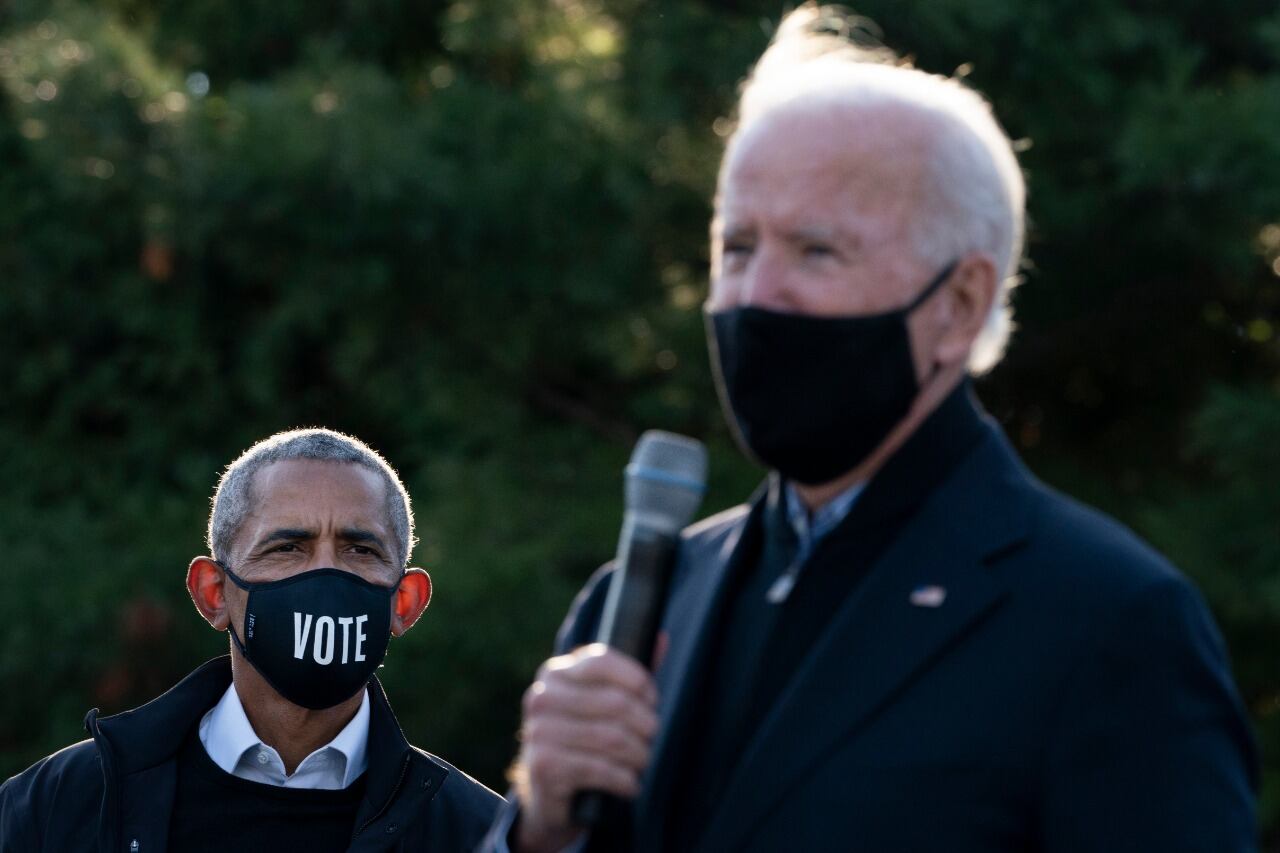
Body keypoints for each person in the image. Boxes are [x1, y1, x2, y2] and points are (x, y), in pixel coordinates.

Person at [485, 7, 1259, 852]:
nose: (755, 294)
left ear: (959, 305)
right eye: (737, 247)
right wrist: (541, 826)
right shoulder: (642, 598)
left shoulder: (1108, 622)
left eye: (817, 251)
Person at [0, 428, 501, 852]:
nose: (326, 573)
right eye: (287, 547)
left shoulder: (479, 833)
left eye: (358, 549)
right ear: (214, 593)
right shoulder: (61, 806)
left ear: (404, 602)